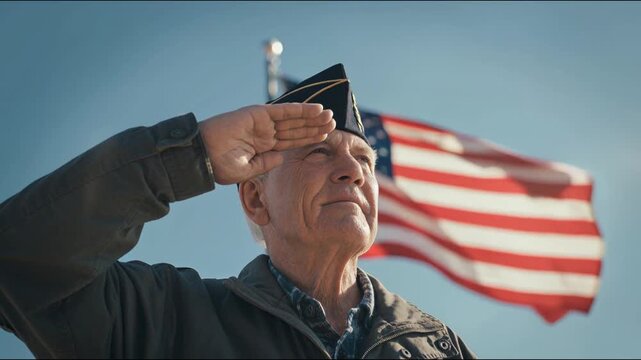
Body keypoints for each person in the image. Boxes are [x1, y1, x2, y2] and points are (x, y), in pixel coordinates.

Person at [0, 64, 476, 359]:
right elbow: (17, 260)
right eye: (319, 153)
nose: (352, 172)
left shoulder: (438, 347)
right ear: (254, 198)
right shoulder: (168, 320)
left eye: (365, 161)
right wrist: (190, 154)